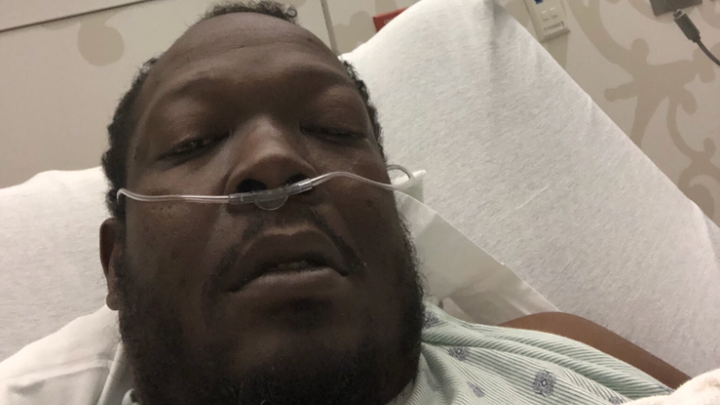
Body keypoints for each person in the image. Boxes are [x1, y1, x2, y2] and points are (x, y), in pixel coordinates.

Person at [0, 2, 689, 404]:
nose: (274, 158)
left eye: (332, 128)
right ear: (116, 265)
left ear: (394, 212)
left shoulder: (564, 348)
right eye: (194, 139)